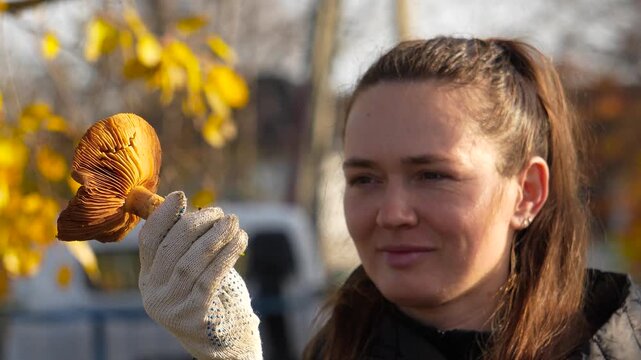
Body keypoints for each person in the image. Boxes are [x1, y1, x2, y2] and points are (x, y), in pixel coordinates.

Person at [138, 36, 641, 360]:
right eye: (364, 179)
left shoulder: (617, 342)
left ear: (526, 193)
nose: (392, 213)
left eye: (433, 176)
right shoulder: (336, 349)